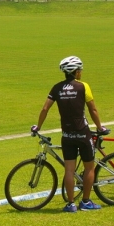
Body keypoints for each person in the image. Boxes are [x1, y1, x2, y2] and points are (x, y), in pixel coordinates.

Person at [32, 56, 107, 212]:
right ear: (76, 71)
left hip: (67, 135)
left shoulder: (56, 88)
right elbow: (93, 109)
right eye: (80, 70)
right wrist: (100, 127)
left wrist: (38, 127)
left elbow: (45, 109)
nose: (81, 72)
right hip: (83, 134)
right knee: (89, 168)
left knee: (69, 170)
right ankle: (86, 202)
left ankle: (71, 204)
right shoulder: (83, 87)